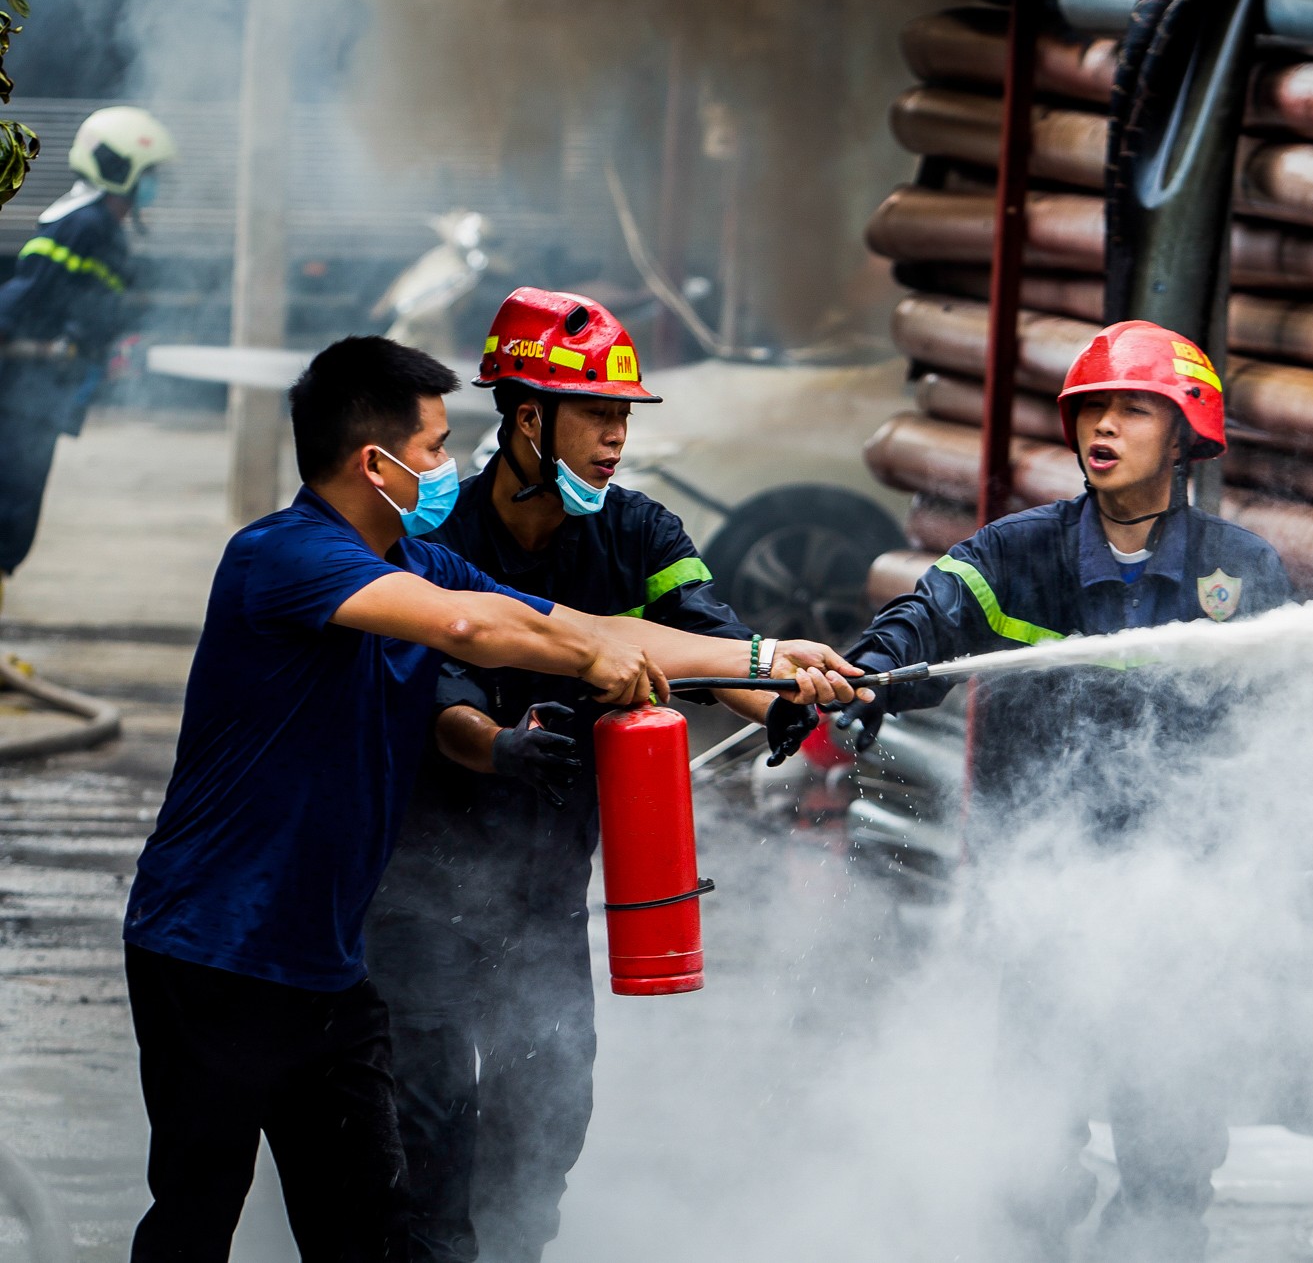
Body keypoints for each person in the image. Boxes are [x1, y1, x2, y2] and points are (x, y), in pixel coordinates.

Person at [121, 334, 864, 1263]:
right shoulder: (281, 555)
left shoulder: (425, 566)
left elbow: (576, 623)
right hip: (212, 952)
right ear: (374, 463)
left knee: (373, 1231)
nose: (445, 468)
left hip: (329, 969)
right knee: (196, 1215)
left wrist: (764, 661)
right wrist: (592, 659)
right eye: (433, 447)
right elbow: (479, 629)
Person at [365, 288, 821, 1263]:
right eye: (598, 415)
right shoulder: (436, 536)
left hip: (542, 885)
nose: (617, 436)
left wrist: (778, 701)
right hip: (419, 881)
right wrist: (498, 747)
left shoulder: (638, 533)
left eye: (625, 416)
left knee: (547, 1114)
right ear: (527, 417)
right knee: (430, 1121)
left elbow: (708, 638)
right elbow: (432, 691)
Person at [835, 321, 1292, 1263]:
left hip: (1182, 924)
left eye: (1133, 408)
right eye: (1092, 408)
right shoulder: (1016, 554)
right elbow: (927, 616)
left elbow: (1288, 729)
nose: (1104, 427)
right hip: (1037, 904)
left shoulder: (1241, 572)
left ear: (1184, 432)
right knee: (1031, 1156)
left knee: (1169, 1165)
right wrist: (870, 670)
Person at [0, 106, 174, 604]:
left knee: (12, 518)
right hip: (23, 394)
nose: (152, 186)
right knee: (7, 517)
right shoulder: (87, 225)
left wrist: (101, 344)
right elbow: (30, 296)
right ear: (120, 167)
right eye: (149, 174)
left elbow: (81, 307)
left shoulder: (94, 225)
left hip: (36, 394)